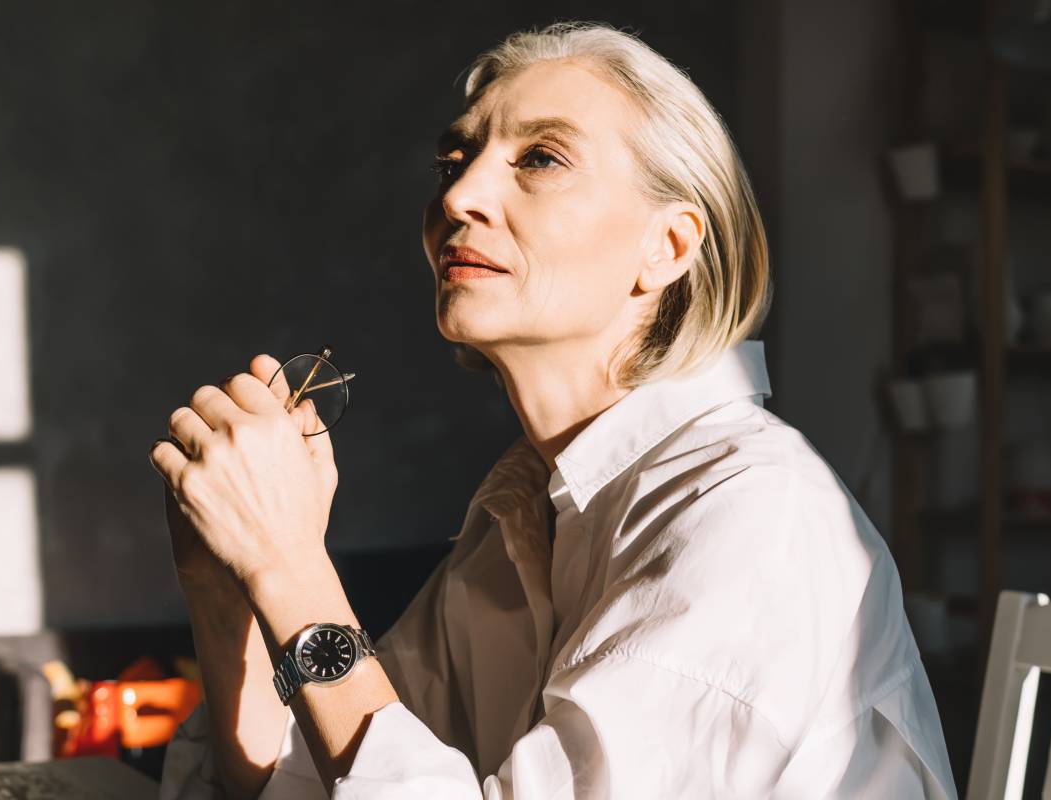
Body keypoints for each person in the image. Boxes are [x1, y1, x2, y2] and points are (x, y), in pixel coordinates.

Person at [149, 22, 955, 799]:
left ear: (668, 248)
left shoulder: (757, 517)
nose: (460, 195)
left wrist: (291, 569)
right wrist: (227, 591)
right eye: (452, 158)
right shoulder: (525, 515)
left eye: (541, 157)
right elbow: (327, 779)